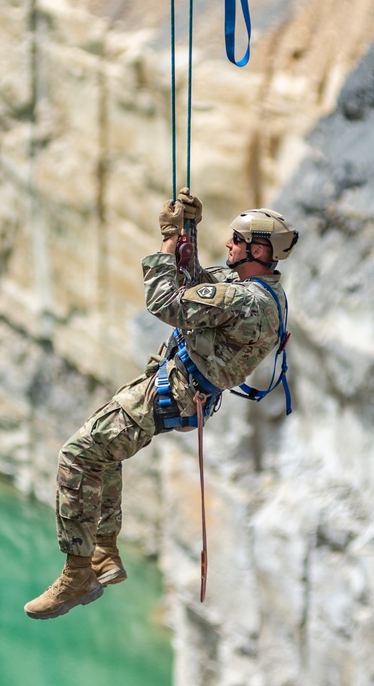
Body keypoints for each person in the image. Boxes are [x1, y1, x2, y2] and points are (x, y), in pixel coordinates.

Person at [25, 190, 298, 619]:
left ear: (258, 249)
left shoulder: (247, 301)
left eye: (234, 240)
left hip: (174, 389)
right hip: (180, 386)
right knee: (104, 452)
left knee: (77, 455)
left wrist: (167, 247)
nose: (228, 245)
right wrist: (187, 237)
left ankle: (77, 574)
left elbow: (166, 303)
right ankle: (104, 552)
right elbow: (202, 290)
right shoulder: (259, 291)